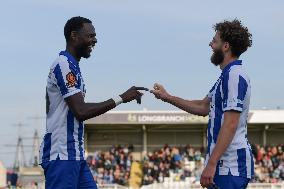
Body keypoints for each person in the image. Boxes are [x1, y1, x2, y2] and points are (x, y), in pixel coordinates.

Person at [39, 16, 148, 189]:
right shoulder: (63, 64)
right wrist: (121, 98)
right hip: (61, 154)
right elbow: (81, 111)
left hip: (75, 154)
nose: (94, 40)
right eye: (90, 35)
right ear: (74, 36)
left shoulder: (73, 66)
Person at [150, 19, 253, 189]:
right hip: (223, 164)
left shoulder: (234, 75)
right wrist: (167, 97)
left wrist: (211, 164)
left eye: (214, 41)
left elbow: (231, 123)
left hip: (231, 165)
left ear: (225, 46)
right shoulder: (225, 76)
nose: (210, 45)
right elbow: (203, 107)